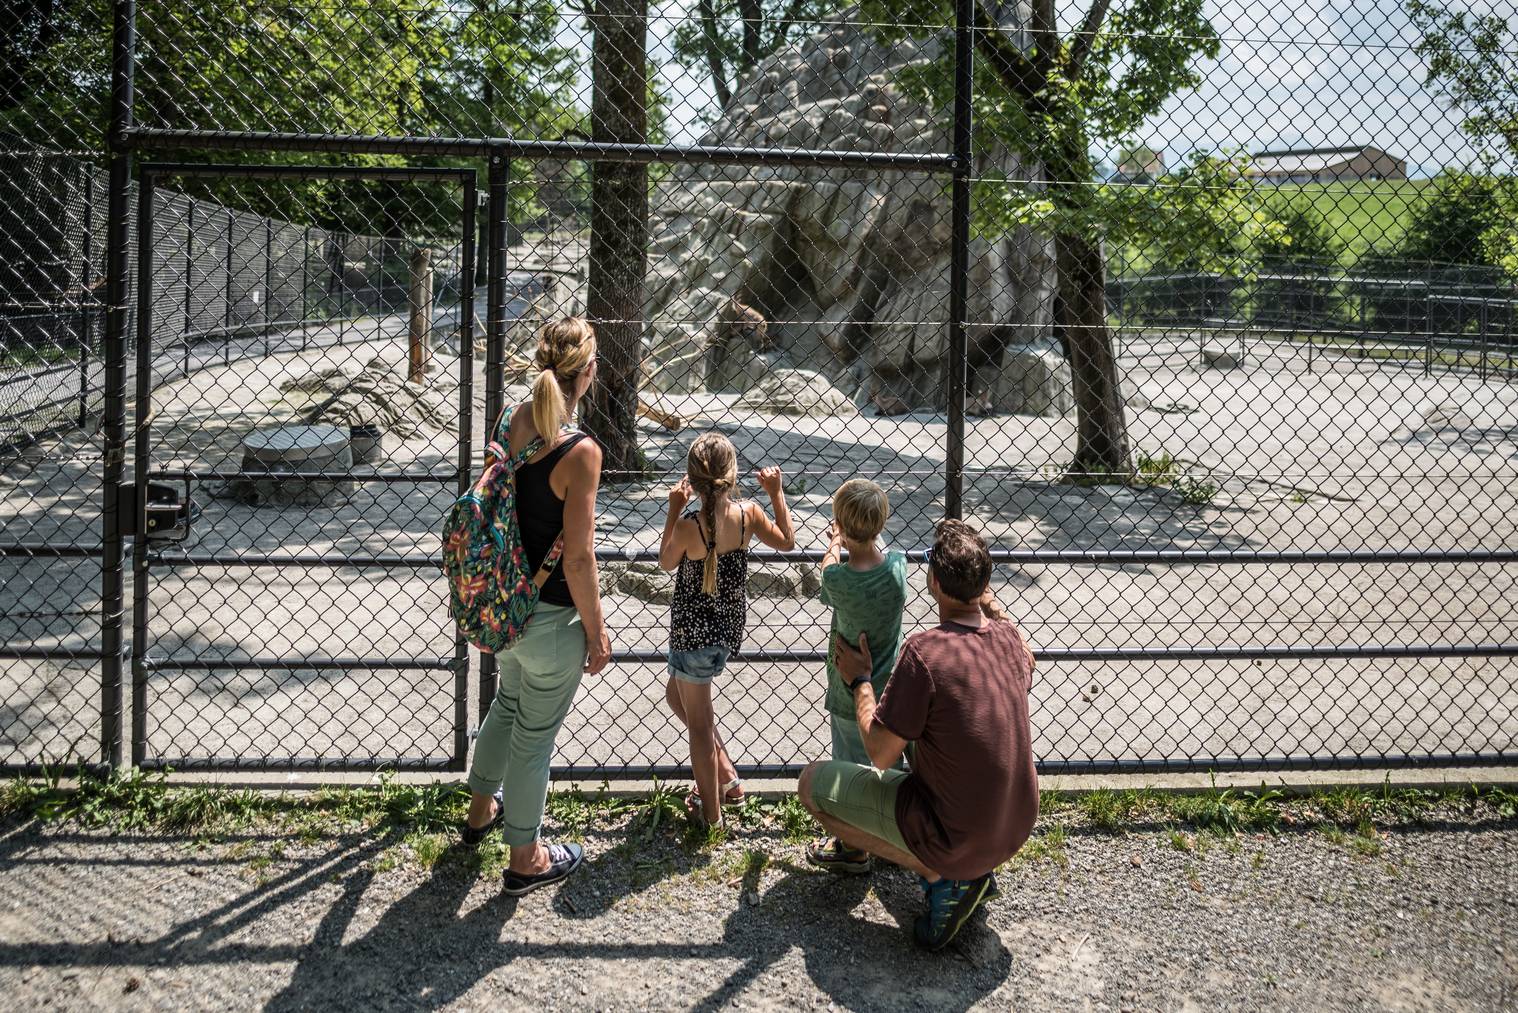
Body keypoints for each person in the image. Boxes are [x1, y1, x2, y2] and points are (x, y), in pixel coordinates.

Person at [797, 519, 1038, 951]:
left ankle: (946, 876)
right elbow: (1028, 660)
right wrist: (993, 605)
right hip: (1015, 826)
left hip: (956, 835)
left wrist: (860, 680)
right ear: (984, 583)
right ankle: (969, 866)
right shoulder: (1009, 638)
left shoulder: (924, 652)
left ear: (934, 582)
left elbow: (880, 752)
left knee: (812, 785)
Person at [460, 317, 612, 895]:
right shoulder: (582, 452)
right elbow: (579, 560)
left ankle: (480, 812)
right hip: (550, 622)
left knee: (506, 706)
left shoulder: (511, 418)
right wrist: (597, 634)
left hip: (506, 609)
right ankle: (525, 857)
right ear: (588, 374)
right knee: (534, 737)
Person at [659, 432, 795, 829]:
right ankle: (727, 777)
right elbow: (787, 541)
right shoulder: (748, 513)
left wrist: (672, 509)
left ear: (693, 480)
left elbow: (667, 562)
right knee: (675, 694)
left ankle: (711, 814)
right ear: (732, 476)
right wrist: (776, 493)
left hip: (691, 636)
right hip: (725, 631)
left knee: (699, 727)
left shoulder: (688, 525)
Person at [806, 479, 909, 875]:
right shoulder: (897, 570)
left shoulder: (839, 581)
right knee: (890, 762)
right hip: (890, 690)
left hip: (850, 691)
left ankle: (853, 846)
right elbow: (885, 554)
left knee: (849, 766)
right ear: (881, 524)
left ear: (840, 525)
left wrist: (835, 543)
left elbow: (827, 569)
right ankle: (895, 836)